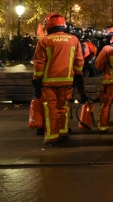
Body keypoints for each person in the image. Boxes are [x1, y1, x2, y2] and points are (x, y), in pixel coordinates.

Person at [32, 14, 86, 145]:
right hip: (67, 81)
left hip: (48, 83)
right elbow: (79, 62)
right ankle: (63, 134)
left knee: (50, 109)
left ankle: (51, 137)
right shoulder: (74, 40)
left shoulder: (44, 41)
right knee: (64, 108)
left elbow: (39, 63)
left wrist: (37, 81)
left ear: (48, 26)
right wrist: (78, 79)